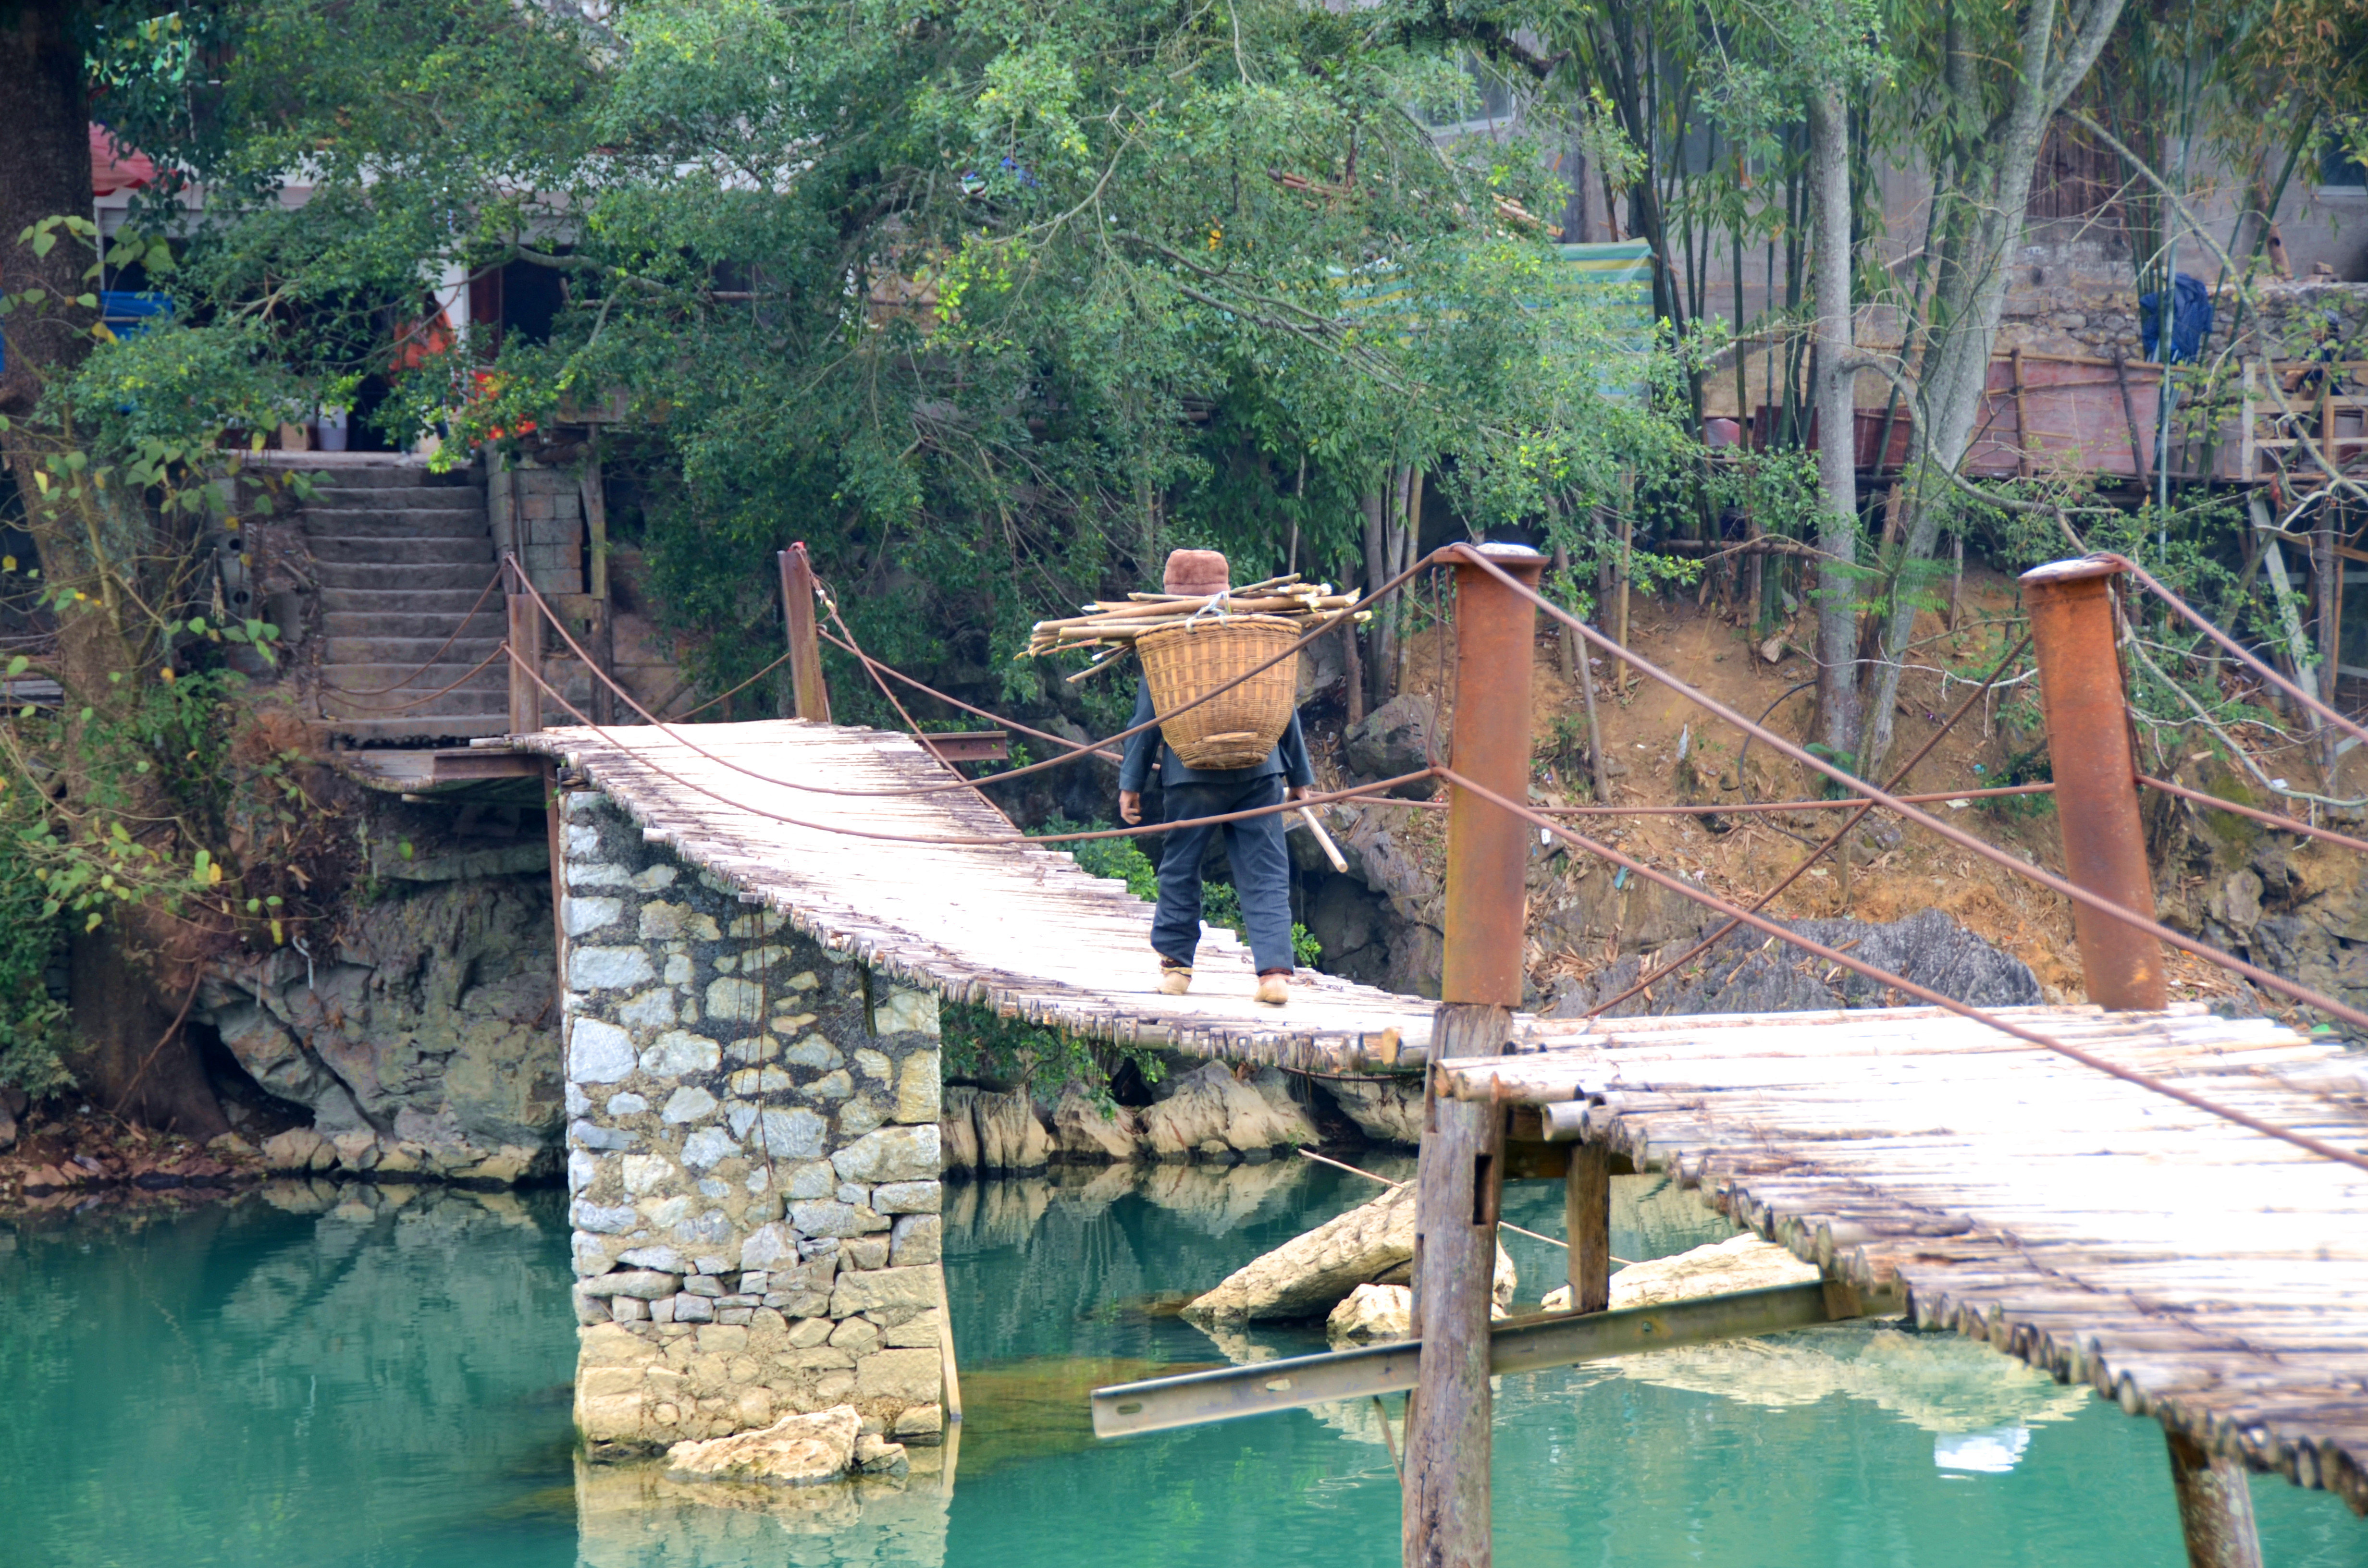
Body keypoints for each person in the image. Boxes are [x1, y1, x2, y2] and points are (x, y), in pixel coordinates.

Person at [1118, 549, 1313, 1006]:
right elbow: (1282, 707)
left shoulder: (1164, 642)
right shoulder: (1255, 636)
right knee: (1266, 870)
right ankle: (1274, 975)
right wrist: (1300, 777)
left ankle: (1176, 969)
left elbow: (1146, 721)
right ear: (1226, 590)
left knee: (1180, 868)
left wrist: (1131, 784)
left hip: (1191, 778)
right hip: (1259, 770)